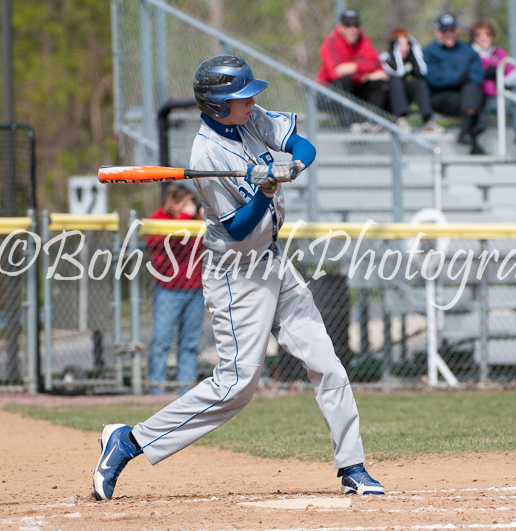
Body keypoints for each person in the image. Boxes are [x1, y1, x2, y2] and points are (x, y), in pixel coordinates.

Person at [93, 55, 384, 500]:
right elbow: (237, 228)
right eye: (240, 97)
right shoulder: (204, 154)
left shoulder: (254, 119)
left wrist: (292, 167)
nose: (251, 101)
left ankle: (353, 466)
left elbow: (303, 145)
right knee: (236, 386)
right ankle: (129, 441)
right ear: (215, 106)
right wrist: (265, 190)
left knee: (325, 361)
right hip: (235, 272)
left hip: (274, 261)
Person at [146, 183, 205, 394]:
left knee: (189, 343)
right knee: (161, 342)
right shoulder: (158, 219)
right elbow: (164, 242)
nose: (189, 206)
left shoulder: (195, 221)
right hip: (167, 290)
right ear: (174, 202)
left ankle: (184, 389)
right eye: (185, 202)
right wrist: (186, 218)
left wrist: (199, 216)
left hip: (195, 290)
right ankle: (156, 388)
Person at [316, 9, 403, 132]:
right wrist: (363, 75)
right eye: (348, 25)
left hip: (354, 89)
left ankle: (374, 122)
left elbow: (376, 64)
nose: (352, 29)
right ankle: (352, 124)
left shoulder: (362, 40)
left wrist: (355, 66)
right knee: (344, 81)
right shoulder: (332, 41)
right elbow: (335, 73)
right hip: (329, 95)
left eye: (356, 25)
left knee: (379, 81)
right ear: (341, 27)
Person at [469, 21, 516, 163]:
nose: (483, 38)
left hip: (501, 96)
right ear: (473, 37)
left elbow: (510, 71)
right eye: (479, 35)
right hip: (484, 99)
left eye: (487, 34)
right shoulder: (470, 53)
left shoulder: (498, 53)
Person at [423, 13, 487, 155]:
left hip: (465, 96)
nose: (448, 34)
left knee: (472, 90)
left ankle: (465, 132)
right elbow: (433, 78)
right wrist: (458, 79)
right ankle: (473, 136)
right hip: (441, 97)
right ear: (438, 32)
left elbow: (478, 74)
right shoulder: (429, 51)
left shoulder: (467, 50)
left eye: (451, 30)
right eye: (445, 30)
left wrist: (464, 80)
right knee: (473, 96)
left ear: (457, 30)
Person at [379, 28, 444, 134]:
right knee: (396, 82)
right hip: (388, 101)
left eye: (407, 44)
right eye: (400, 44)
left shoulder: (411, 60)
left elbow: (421, 72)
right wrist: (397, 55)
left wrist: (415, 49)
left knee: (419, 83)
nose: (404, 48)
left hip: (404, 98)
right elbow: (398, 72)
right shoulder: (385, 59)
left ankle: (428, 120)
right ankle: (400, 119)